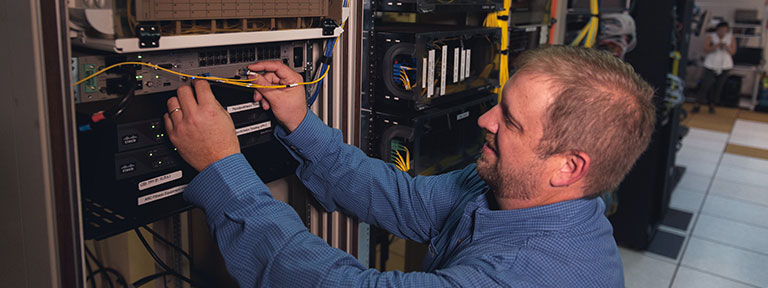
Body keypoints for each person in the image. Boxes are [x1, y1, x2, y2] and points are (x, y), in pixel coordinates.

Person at [163, 45, 655, 287]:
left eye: (510, 121)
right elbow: (402, 198)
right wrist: (300, 122)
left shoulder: (534, 274)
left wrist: (223, 166)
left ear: (568, 167)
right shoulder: (506, 185)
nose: (485, 120)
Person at [694, 21, 737, 114]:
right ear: (717, 30)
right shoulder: (711, 36)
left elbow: (733, 52)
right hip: (711, 64)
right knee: (705, 85)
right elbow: (705, 49)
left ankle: (712, 104)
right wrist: (715, 46)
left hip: (724, 65)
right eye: (721, 30)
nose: (722, 32)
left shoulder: (731, 38)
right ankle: (697, 104)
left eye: (725, 31)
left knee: (718, 86)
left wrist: (727, 47)